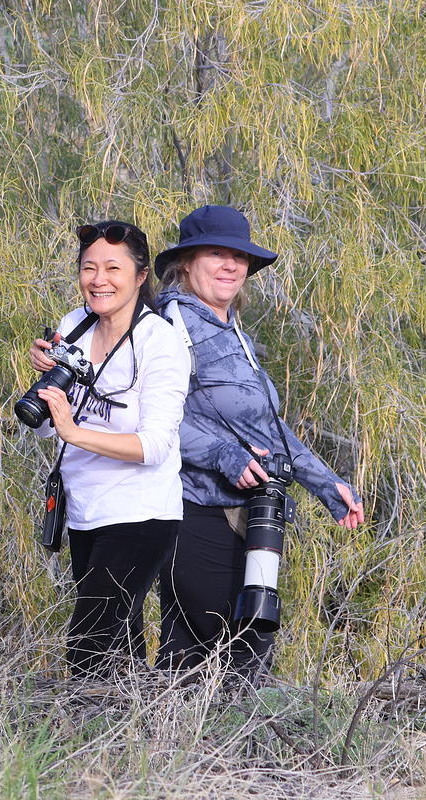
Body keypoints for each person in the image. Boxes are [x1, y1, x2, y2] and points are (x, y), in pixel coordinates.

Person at [153, 205, 364, 680]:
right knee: (203, 653)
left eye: (239, 256)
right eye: (216, 253)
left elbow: (267, 427)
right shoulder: (168, 325)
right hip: (196, 511)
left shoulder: (233, 332)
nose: (230, 265)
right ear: (186, 262)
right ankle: (168, 731)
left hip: (250, 513)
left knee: (246, 645)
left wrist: (327, 485)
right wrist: (223, 455)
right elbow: (150, 420)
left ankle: (231, 735)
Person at [29, 221, 191, 678]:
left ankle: (83, 724)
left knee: (89, 645)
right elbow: (48, 430)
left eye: (113, 268)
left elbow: (154, 446)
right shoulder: (74, 325)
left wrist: (74, 432)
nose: (98, 279)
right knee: (119, 650)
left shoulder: (160, 341)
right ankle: (137, 723)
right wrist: (45, 388)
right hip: (85, 510)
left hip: (141, 512)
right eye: (89, 268)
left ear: (141, 276)